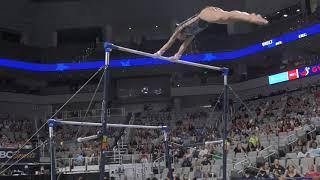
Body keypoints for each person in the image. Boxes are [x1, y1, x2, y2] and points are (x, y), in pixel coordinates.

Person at [155, 6, 268, 59]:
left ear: (179, 34)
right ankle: (248, 16)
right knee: (229, 19)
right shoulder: (190, 35)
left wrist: (159, 53)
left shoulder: (179, 29)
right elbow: (184, 46)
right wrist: (177, 55)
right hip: (210, 15)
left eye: (181, 38)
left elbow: (169, 43)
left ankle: (250, 18)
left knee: (226, 16)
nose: (183, 39)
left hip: (204, 14)